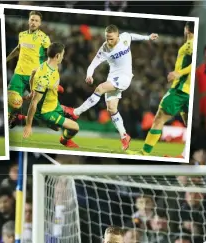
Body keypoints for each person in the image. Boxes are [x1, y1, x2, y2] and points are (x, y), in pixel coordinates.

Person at [73, 25, 159, 151]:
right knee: (112, 108)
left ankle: (76, 112)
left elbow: (132, 36)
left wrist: (147, 37)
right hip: (112, 77)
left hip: (125, 77)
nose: (109, 41)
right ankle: (124, 135)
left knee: (100, 88)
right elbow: (92, 65)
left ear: (118, 36)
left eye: (111, 39)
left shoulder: (124, 38)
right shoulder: (104, 48)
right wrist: (89, 75)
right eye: (107, 38)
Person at [133, 22, 194, 157]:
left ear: (187, 30)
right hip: (188, 91)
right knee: (190, 125)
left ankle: (144, 152)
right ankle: (185, 154)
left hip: (180, 90)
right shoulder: (191, 44)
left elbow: (195, 63)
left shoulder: (190, 44)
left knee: (159, 119)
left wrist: (179, 73)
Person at [22, 43, 80, 149]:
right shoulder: (44, 77)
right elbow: (34, 103)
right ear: (57, 56)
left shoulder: (49, 65)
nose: (63, 57)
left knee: (57, 128)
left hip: (53, 103)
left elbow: (33, 72)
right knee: (75, 127)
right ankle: (64, 140)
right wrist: (28, 125)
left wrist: (32, 90)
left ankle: (44, 120)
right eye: (62, 54)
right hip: (47, 112)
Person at [5, 10, 51, 124]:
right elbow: (18, 49)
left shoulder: (44, 38)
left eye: (36, 21)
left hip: (35, 76)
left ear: (40, 23)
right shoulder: (22, 35)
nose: (33, 22)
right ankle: (7, 121)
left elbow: (50, 56)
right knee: (9, 100)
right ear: (28, 21)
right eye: (32, 20)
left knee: (40, 108)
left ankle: (21, 118)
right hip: (19, 74)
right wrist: (6, 59)